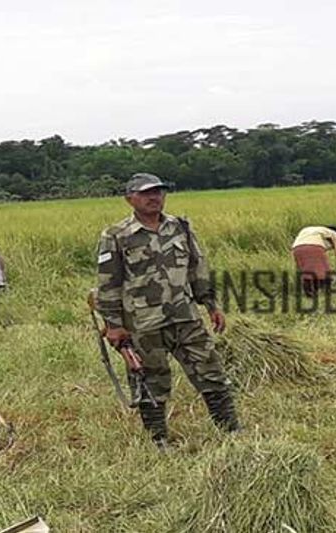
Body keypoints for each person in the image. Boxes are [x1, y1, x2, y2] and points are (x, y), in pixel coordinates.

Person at [96, 173, 239, 448]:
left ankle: (231, 432)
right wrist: (113, 324)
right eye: (147, 193)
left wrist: (210, 304)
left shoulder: (180, 227)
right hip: (143, 324)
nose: (155, 197)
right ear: (130, 199)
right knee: (151, 382)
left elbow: (197, 266)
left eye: (159, 192)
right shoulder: (116, 235)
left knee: (212, 372)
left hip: (185, 316)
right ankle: (159, 441)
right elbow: (107, 283)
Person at [291, 225, 336, 297]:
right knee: (323, 270)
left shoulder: (310, 230)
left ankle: (309, 290)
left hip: (296, 249)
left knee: (307, 270)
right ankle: (324, 289)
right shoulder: (335, 235)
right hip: (314, 247)